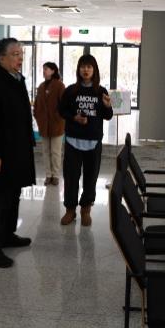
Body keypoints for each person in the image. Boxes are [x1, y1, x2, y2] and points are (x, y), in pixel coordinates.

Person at [0, 37, 35, 268]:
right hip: (1, 153)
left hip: (18, 150)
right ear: (1, 57)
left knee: (13, 195)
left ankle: (7, 234)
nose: (20, 58)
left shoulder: (17, 79)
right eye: (15, 54)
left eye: (21, 54)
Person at [58, 55, 113, 227]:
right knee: (71, 177)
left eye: (89, 67)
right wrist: (74, 117)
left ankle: (86, 209)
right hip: (73, 141)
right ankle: (70, 210)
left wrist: (107, 105)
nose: (86, 70)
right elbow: (61, 110)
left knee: (91, 177)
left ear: (94, 70)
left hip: (93, 142)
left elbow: (108, 116)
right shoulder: (71, 90)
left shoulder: (101, 91)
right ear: (78, 70)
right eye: (83, 67)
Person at [34, 62, 65, 186]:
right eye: (43, 69)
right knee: (45, 151)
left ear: (53, 71)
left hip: (57, 124)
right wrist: (38, 116)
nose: (44, 71)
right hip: (44, 124)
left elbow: (64, 105)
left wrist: (58, 117)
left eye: (46, 69)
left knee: (56, 152)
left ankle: (55, 175)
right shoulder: (41, 87)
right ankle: (48, 175)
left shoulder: (60, 85)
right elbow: (37, 105)